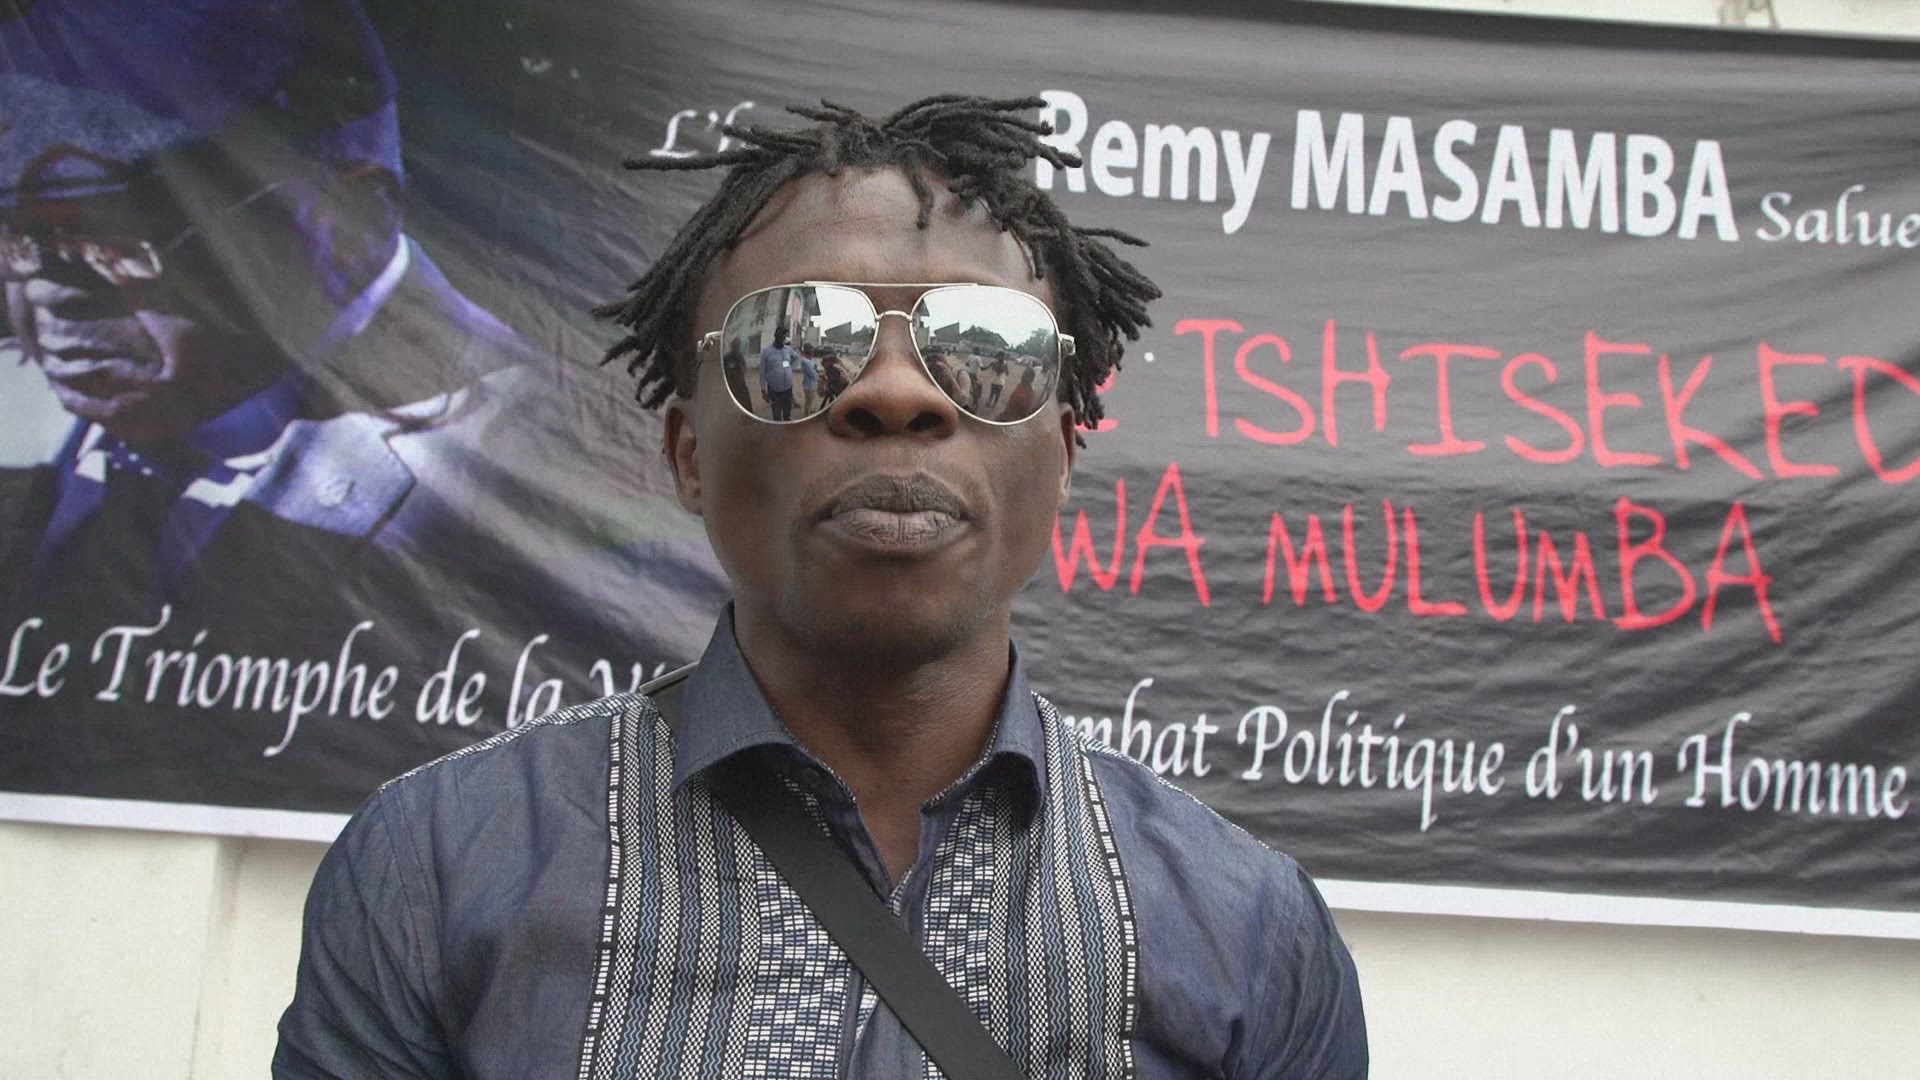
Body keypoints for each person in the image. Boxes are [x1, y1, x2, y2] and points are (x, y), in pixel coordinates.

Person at [277, 94, 1366, 1078]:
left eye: (985, 349)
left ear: (1064, 454)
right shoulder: (436, 869)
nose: (895, 393)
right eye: (797, 342)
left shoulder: (1250, 934)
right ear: (689, 454)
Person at [0, 0, 725, 811]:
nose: (48, 293)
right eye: (18, 237)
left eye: (111, 237)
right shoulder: (27, 433)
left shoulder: (553, 462)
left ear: (340, 217)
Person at [759, 324, 798, 420]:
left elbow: (796, 357)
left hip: (788, 388)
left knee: (787, 414)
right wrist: (763, 390)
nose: (782, 337)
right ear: (775, 335)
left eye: (784, 335)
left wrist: (791, 368)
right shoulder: (767, 352)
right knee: (776, 415)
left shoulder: (788, 350)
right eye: (780, 334)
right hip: (774, 390)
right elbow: (762, 372)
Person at [798, 341, 822, 414]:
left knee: (811, 400)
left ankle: (808, 412)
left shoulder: (811, 360)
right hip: (808, 384)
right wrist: (819, 377)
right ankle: (806, 414)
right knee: (808, 401)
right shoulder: (805, 361)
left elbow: (815, 367)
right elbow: (812, 373)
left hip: (813, 383)